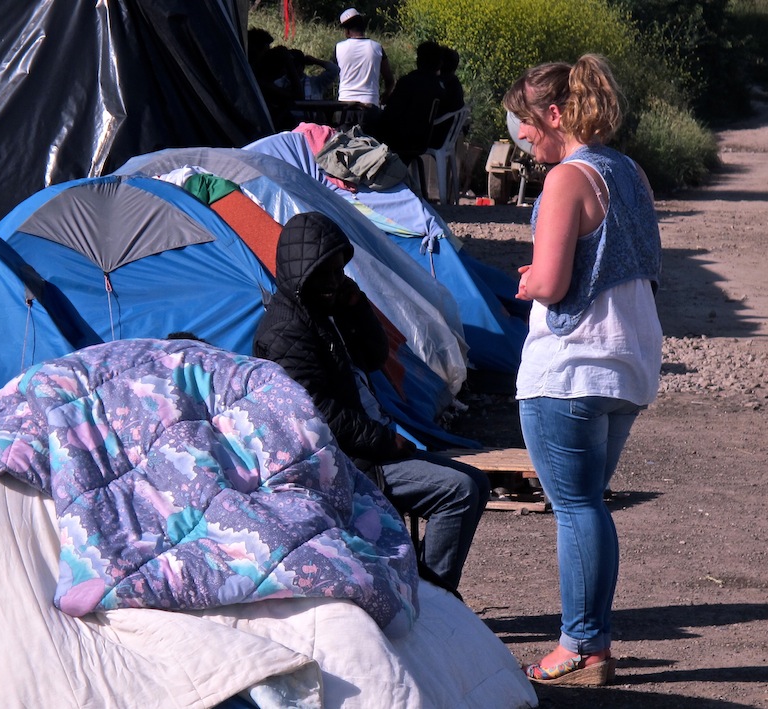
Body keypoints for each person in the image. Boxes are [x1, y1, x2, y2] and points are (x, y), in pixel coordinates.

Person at [504, 54, 662, 686]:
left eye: (524, 126)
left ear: (554, 114)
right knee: (588, 505)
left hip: (571, 366)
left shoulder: (567, 179)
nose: (522, 140)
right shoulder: (629, 171)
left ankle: (582, 646)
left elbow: (552, 279)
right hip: (629, 361)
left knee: (575, 508)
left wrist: (524, 282)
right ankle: (588, 640)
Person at [252, 211, 490, 594]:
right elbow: (318, 415)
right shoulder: (287, 331)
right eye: (324, 274)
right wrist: (384, 440)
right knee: (457, 490)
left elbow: (374, 357)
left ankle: (427, 588)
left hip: (364, 449)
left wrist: (356, 305)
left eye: (337, 272)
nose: (332, 283)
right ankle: (432, 597)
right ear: (302, 275)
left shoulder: (321, 313)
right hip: (339, 462)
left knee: (476, 481)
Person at [374, 40, 446, 163]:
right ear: (439, 64)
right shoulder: (439, 87)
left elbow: (391, 114)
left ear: (418, 61)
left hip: (400, 140)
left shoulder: (408, 82)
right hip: (422, 140)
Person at [334, 8, 394, 133]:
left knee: (343, 148)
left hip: (345, 108)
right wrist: (385, 95)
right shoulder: (377, 48)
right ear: (363, 27)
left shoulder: (339, 48)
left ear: (346, 31)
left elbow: (331, 72)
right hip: (370, 108)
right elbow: (389, 80)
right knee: (371, 149)